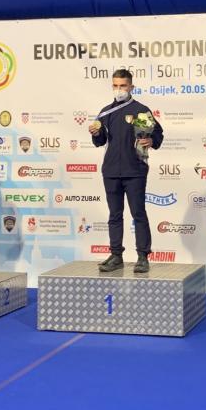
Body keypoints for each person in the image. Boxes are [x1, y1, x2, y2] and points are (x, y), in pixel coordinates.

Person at [89, 69, 164, 273]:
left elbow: (158, 135)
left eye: (123, 85)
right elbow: (100, 141)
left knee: (138, 213)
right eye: (116, 85)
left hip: (135, 170)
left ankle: (143, 257)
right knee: (114, 215)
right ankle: (116, 256)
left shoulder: (141, 110)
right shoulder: (106, 112)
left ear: (131, 87)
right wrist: (96, 133)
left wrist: (152, 140)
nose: (119, 89)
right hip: (111, 170)